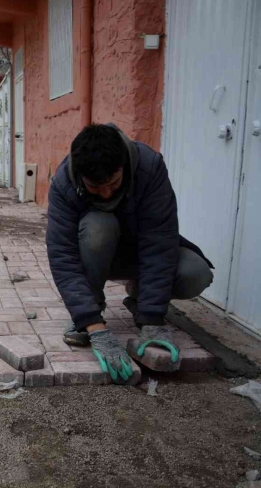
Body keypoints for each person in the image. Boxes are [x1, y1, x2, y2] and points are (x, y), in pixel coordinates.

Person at [46, 124, 214, 384]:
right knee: (99, 226)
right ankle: (91, 309)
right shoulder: (64, 182)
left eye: (113, 183)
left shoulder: (149, 167)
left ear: (124, 165)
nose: (106, 193)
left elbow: (160, 241)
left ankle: (141, 300)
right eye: (95, 187)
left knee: (196, 273)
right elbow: (62, 257)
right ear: (80, 176)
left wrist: (152, 318)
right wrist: (91, 324)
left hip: (140, 253)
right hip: (97, 252)